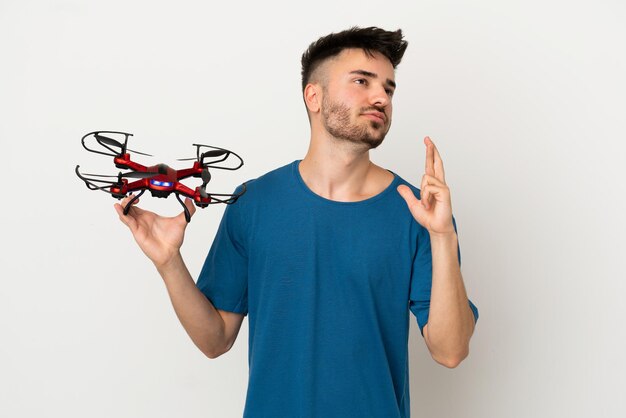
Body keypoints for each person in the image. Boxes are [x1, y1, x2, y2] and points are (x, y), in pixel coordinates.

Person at [115, 26, 479, 418]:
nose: (380, 98)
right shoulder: (253, 202)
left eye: (388, 89)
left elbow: (450, 350)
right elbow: (214, 339)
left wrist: (442, 235)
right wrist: (169, 262)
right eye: (362, 81)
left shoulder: (418, 213)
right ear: (314, 96)